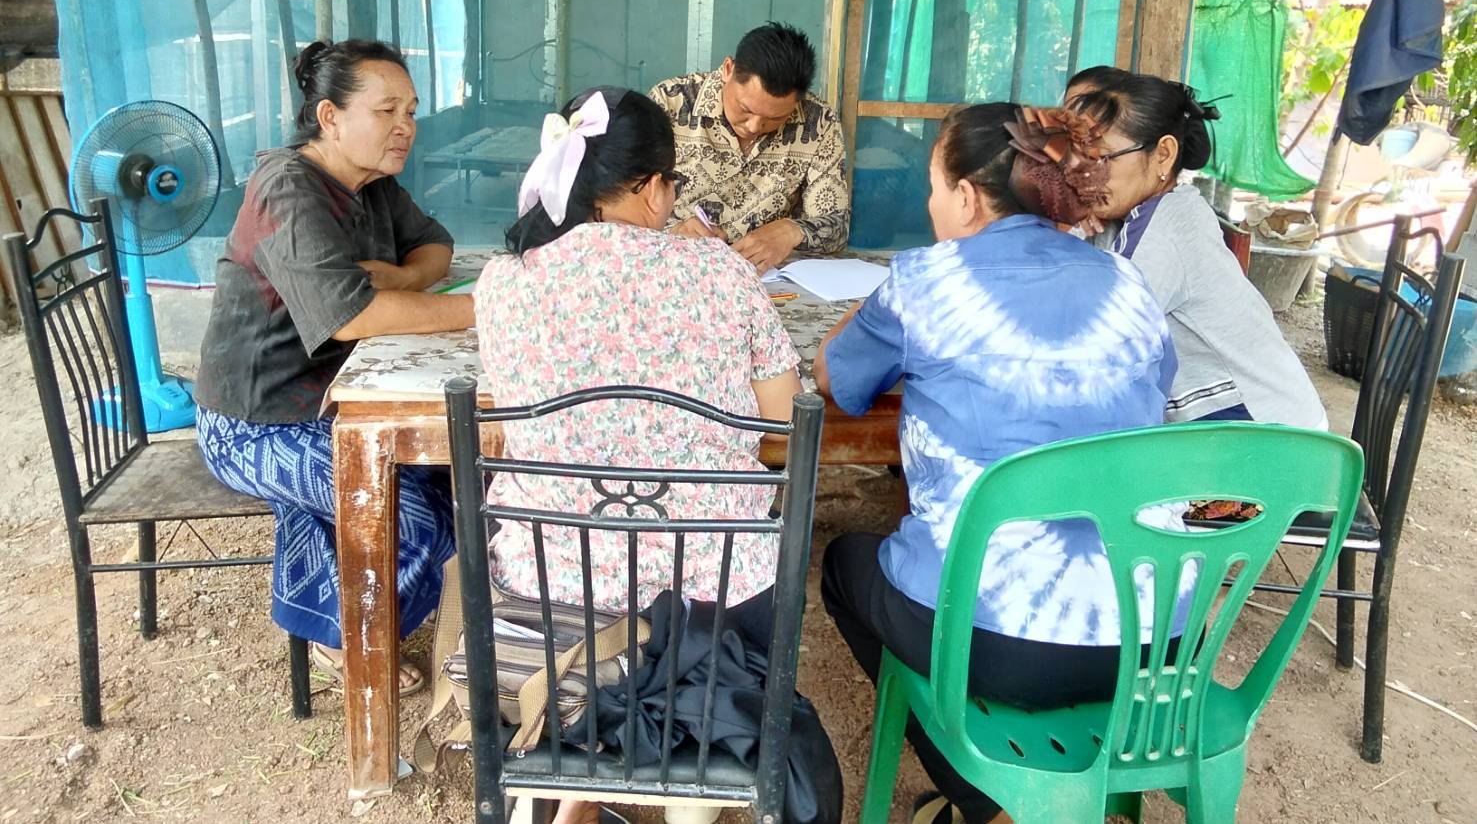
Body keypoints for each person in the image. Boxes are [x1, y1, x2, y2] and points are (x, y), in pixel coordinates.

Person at [474, 87, 841, 824]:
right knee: (724, 569)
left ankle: (573, 789)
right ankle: (680, 790)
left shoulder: (505, 280)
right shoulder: (720, 274)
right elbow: (782, 428)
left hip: (552, 572)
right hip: (706, 584)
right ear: (648, 188)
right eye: (674, 188)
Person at [814, 103, 1182, 824]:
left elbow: (836, 381)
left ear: (964, 196)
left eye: (930, 186)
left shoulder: (923, 281)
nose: (928, 204)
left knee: (842, 564)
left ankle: (987, 804)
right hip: (1155, 635)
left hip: (997, 641)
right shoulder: (1126, 282)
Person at [195, 39, 473, 695]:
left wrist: (402, 276)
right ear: (329, 117)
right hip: (254, 423)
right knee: (418, 520)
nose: (405, 126)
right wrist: (478, 308)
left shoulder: (370, 182)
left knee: (461, 487)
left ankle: (354, 611)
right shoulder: (287, 190)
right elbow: (352, 318)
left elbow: (436, 245)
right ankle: (343, 641)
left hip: (333, 402)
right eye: (387, 111)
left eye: (410, 111)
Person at [1063, 65, 1326, 427]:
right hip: (1243, 428)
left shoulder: (1165, 227)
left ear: (1163, 155)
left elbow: (1095, 342)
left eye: (1101, 158)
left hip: (1267, 438)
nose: (1082, 173)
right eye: (1076, 157)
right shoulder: (1150, 211)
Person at [651, 21, 849, 273]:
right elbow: (619, 205)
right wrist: (671, 231)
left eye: (775, 118)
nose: (755, 126)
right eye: (746, 109)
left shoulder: (818, 122)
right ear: (728, 69)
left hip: (766, 278)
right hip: (674, 268)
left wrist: (793, 231)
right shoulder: (670, 103)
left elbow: (837, 227)